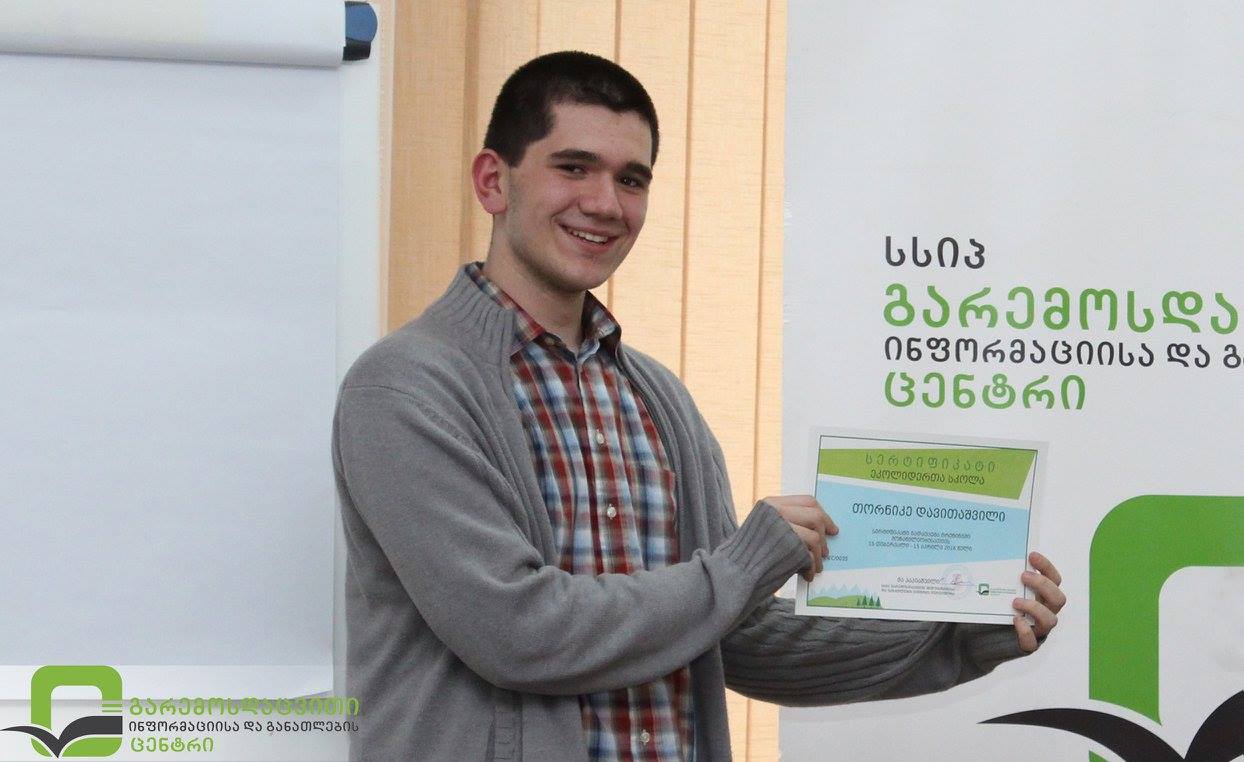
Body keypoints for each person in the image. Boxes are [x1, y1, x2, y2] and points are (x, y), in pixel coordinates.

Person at [332, 51, 1066, 761]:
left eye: (631, 179)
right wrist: (746, 565)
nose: (605, 203)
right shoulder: (404, 389)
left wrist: (959, 631)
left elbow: (730, 636)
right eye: (573, 167)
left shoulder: (659, 401)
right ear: (493, 181)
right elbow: (516, 632)